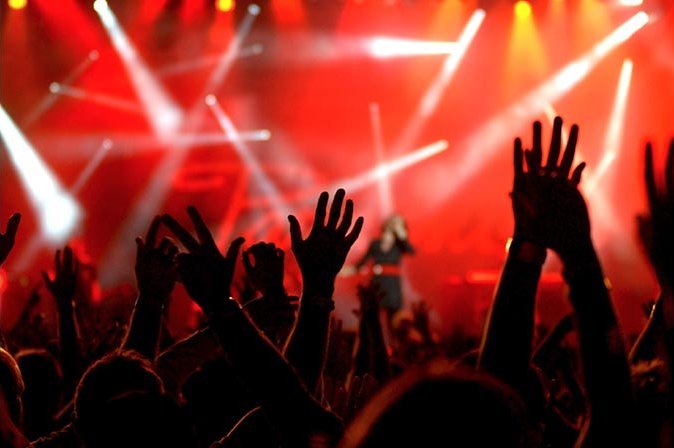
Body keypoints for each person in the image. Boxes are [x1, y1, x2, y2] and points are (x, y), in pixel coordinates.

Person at [348, 215, 414, 318]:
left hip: (392, 286)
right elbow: (361, 263)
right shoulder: (375, 244)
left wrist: (401, 234)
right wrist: (347, 270)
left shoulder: (399, 245)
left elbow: (411, 251)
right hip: (377, 283)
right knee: (372, 315)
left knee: (394, 316)